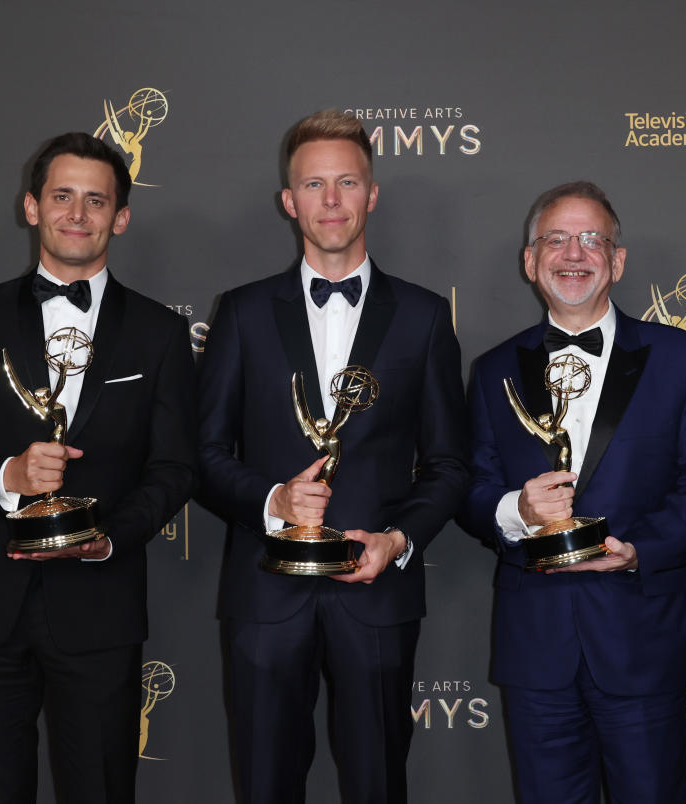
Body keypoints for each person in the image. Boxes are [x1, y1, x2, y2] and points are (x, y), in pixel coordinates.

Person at [0, 132, 198, 802]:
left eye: (96, 200)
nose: (78, 212)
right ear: (32, 206)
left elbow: (176, 467)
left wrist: (111, 540)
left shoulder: (159, 333)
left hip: (100, 605)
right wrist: (7, 476)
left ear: (120, 217)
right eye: (62, 195)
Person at [197, 109, 469, 803]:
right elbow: (203, 453)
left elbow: (448, 463)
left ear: (372, 193)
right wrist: (273, 502)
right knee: (264, 784)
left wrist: (397, 540)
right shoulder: (242, 312)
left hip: (375, 594)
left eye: (347, 182)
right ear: (288, 201)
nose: (331, 201)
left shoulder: (425, 315)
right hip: (265, 593)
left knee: (378, 785)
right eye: (313, 185)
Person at [459, 181, 686, 803]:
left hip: (643, 634)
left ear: (619, 259)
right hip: (536, 643)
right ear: (530, 260)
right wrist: (517, 510)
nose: (573, 253)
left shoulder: (681, 358)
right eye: (555, 239)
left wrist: (639, 548)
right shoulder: (494, 368)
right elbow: (470, 487)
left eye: (591, 239)